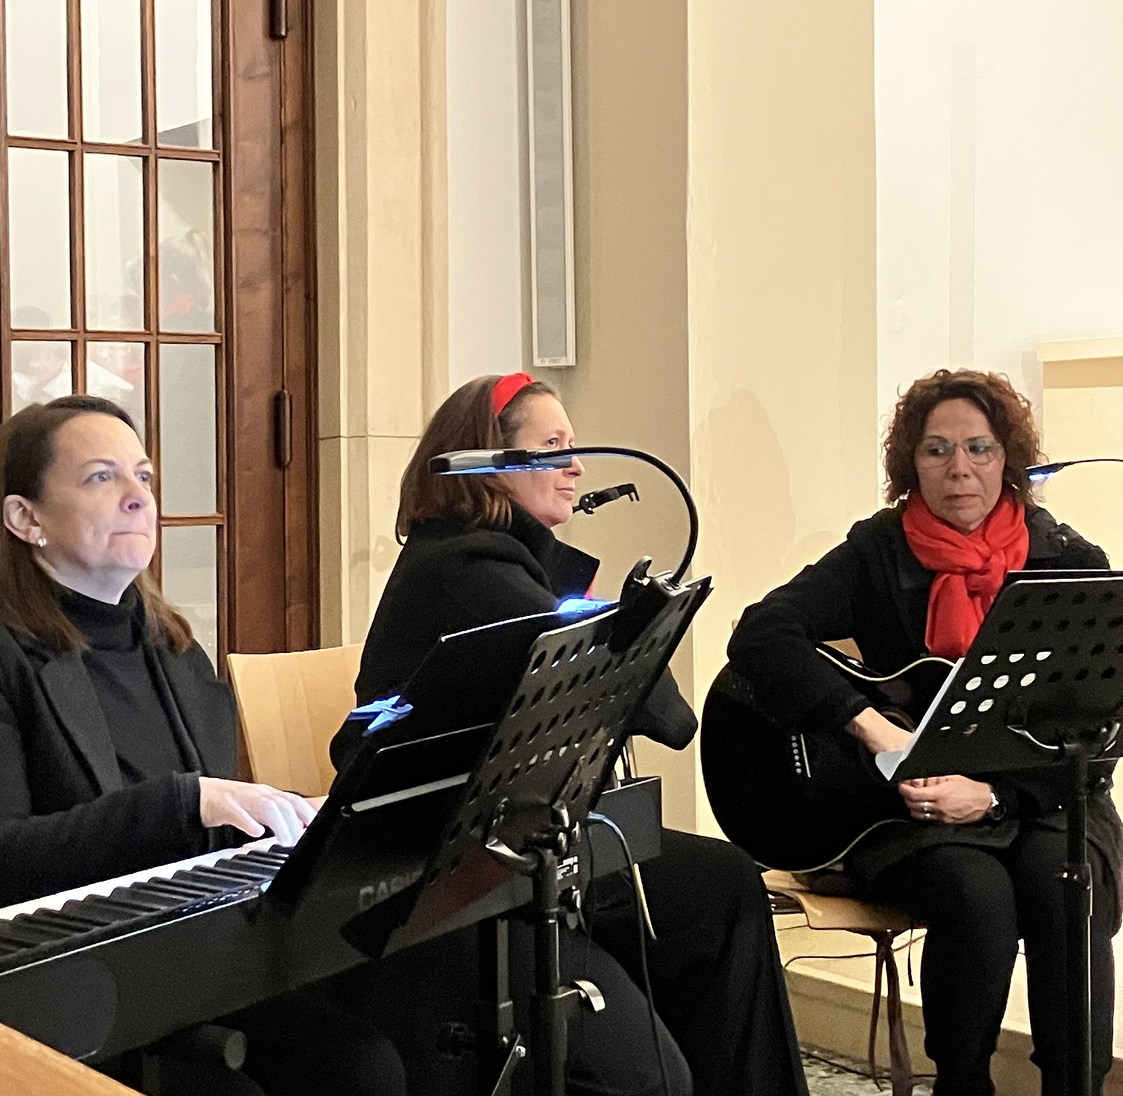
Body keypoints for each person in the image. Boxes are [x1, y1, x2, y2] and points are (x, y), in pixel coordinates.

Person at [0, 395, 405, 1096]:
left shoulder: (174, 647)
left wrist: (297, 818)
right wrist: (182, 803)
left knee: (366, 1058)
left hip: (189, 957)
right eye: (102, 477)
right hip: (65, 983)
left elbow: (212, 829)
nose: (139, 497)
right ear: (25, 519)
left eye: (145, 476)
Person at [338, 373, 807, 1096]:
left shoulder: (501, 560)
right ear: (490, 461)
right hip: (461, 875)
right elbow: (666, 714)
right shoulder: (466, 568)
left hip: (527, 842)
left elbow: (665, 718)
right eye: (553, 446)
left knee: (724, 886)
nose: (577, 465)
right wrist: (622, 620)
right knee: (650, 1075)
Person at [728, 369, 1123, 1096]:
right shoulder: (880, 551)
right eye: (937, 450)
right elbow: (761, 634)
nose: (959, 468)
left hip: (1046, 797)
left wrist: (996, 797)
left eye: (978, 448)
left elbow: (1096, 733)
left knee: (1064, 883)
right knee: (975, 893)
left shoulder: (1066, 560)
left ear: (1009, 458)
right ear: (911, 462)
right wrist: (871, 726)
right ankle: (961, 1082)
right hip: (913, 806)